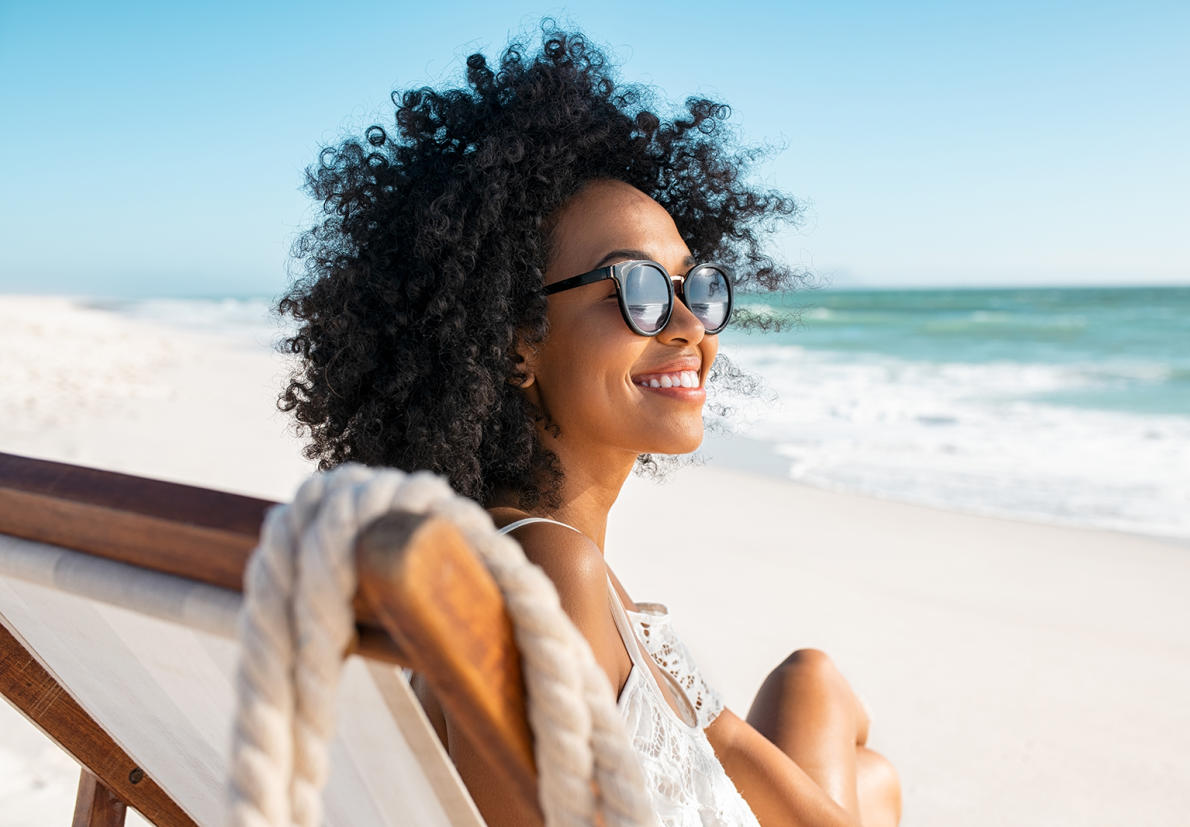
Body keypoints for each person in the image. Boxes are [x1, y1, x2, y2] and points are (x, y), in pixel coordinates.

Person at [276, 22, 901, 827]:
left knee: (819, 689)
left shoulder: (544, 558)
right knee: (860, 756)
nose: (686, 324)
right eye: (635, 290)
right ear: (515, 344)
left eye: (695, 286)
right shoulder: (550, 566)